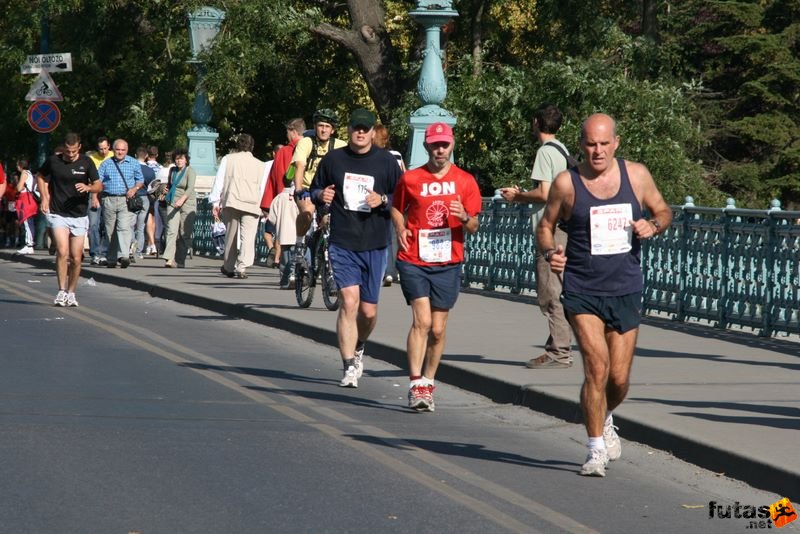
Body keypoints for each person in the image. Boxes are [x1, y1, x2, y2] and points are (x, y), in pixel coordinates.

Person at [537, 113, 672, 477]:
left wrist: (653, 224)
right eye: (590, 144)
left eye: (603, 144)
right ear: (581, 144)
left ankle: (605, 415)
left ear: (616, 142)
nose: (597, 151)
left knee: (619, 379)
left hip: (625, 287)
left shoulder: (637, 176)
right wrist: (552, 254)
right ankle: (595, 447)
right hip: (582, 288)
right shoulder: (568, 182)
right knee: (596, 368)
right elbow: (545, 227)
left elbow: (663, 211)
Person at [390, 122, 481, 412]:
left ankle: (428, 382)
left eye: (444, 144)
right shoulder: (411, 179)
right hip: (414, 258)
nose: (440, 149)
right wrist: (400, 226)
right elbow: (395, 206)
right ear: (427, 146)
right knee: (423, 322)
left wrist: (465, 216)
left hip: (447, 261)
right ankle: (416, 384)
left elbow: (475, 226)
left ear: (452, 144)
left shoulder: (465, 181)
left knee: (439, 329)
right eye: (434, 145)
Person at [311, 108, 402, 388]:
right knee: (349, 302)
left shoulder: (386, 163)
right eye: (356, 128)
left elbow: (402, 201)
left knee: (368, 312)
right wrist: (320, 195)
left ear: (373, 132)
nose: (360, 133)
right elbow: (313, 190)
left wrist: (384, 201)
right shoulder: (334, 160)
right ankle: (349, 365)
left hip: (375, 243)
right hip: (343, 241)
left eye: (365, 128)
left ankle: (360, 345)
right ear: (348, 130)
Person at [500, 103, 575, 368]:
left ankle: (559, 353)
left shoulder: (545, 152)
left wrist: (517, 196)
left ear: (535, 122)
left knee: (550, 292)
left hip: (550, 230)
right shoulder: (563, 149)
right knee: (560, 290)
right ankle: (557, 346)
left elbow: (544, 193)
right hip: (565, 228)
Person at [36, 132, 102, 307]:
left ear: (79, 148)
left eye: (73, 151)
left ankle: (71, 292)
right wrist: (44, 198)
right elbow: (40, 176)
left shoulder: (86, 162)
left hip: (79, 215)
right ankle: (61, 290)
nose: (70, 155)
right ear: (63, 148)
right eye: (67, 151)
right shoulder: (54, 161)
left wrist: (88, 187)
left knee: (76, 258)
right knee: (62, 252)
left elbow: (98, 185)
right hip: (58, 213)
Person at [208, 133, 267, 279]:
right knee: (248, 236)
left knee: (231, 235)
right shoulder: (260, 164)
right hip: (253, 202)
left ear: (238, 145)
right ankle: (242, 266)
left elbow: (219, 180)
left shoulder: (228, 159)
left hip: (232, 200)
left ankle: (228, 266)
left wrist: (215, 201)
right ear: (252, 146)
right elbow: (263, 186)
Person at [293, 109, 347, 265]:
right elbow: (300, 166)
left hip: (328, 191)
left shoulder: (340, 145)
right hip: (307, 188)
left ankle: (323, 253)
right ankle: (299, 243)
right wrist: (298, 189)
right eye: (320, 125)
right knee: (308, 212)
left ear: (333, 129)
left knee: (328, 221)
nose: (323, 130)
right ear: (315, 127)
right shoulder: (306, 142)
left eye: (327, 126)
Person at [97, 139, 144, 268]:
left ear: (127, 151)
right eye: (118, 149)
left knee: (123, 227)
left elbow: (140, 180)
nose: (120, 152)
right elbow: (98, 182)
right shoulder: (106, 164)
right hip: (109, 199)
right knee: (110, 230)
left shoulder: (133, 163)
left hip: (125, 200)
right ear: (113, 150)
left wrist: (134, 189)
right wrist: (95, 196)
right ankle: (111, 258)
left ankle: (124, 255)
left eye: (123, 150)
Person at [373, 124, 406, 287]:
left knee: (381, 236)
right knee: (392, 238)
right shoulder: (396, 155)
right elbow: (403, 177)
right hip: (393, 199)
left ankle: (382, 270)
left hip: (375, 199)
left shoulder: (370, 156)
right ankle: (390, 272)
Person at [161, 147, 196, 268]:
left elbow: (190, 187)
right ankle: (169, 258)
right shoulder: (172, 170)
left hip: (187, 203)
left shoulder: (190, 171)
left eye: (181, 159)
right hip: (172, 202)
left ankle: (180, 259)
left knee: (184, 233)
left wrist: (182, 199)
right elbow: (170, 185)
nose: (179, 161)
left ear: (186, 160)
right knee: (171, 230)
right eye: (176, 159)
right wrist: (164, 189)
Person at [87, 136, 112, 265]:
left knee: (106, 225)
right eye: (100, 149)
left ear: (109, 146)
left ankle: (104, 252)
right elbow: (92, 180)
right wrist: (94, 197)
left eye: (105, 148)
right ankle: (95, 252)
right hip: (94, 193)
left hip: (108, 194)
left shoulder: (114, 156)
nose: (103, 151)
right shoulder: (92, 159)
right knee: (93, 224)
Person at [131, 146, 156, 262]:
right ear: (146, 156)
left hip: (132, 197)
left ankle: (130, 246)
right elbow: (153, 187)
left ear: (135, 155)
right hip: (144, 198)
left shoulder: (131, 168)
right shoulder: (150, 171)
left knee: (130, 225)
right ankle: (139, 251)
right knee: (140, 226)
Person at [14, 159, 39, 255]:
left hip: (25, 200)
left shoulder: (24, 173)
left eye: (17, 165)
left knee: (27, 223)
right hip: (30, 200)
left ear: (20, 166)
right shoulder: (30, 173)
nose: (16, 167)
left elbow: (19, 188)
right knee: (30, 223)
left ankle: (29, 245)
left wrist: (17, 183)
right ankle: (29, 244)